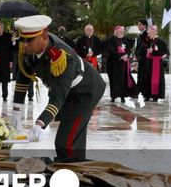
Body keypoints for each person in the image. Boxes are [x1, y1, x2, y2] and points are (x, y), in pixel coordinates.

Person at [12, 15, 106, 161]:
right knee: (72, 139)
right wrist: (16, 113)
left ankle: (71, 172)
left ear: (43, 36)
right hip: (67, 91)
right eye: (22, 40)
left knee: (66, 142)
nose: (24, 45)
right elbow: (23, 78)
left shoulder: (62, 57)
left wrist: (40, 124)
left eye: (29, 40)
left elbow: (58, 97)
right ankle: (74, 168)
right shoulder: (29, 50)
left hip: (85, 92)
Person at [103, 25, 139, 104]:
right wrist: (120, 57)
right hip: (114, 63)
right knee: (114, 80)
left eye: (123, 31)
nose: (122, 32)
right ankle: (114, 96)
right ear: (116, 31)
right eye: (121, 30)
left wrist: (126, 55)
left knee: (123, 79)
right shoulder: (110, 40)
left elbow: (129, 49)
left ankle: (123, 96)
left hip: (123, 63)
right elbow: (110, 50)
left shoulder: (124, 40)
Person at [138, 25, 169, 102]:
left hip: (156, 63)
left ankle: (155, 96)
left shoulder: (160, 41)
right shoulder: (151, 41)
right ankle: (148, 95)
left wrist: (154, 51)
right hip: (149, 63)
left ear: (153, 32)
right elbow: (142, 37)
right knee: (147, 79)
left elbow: (165, 53)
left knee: (155, 80)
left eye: (149, 33)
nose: (148, 34)